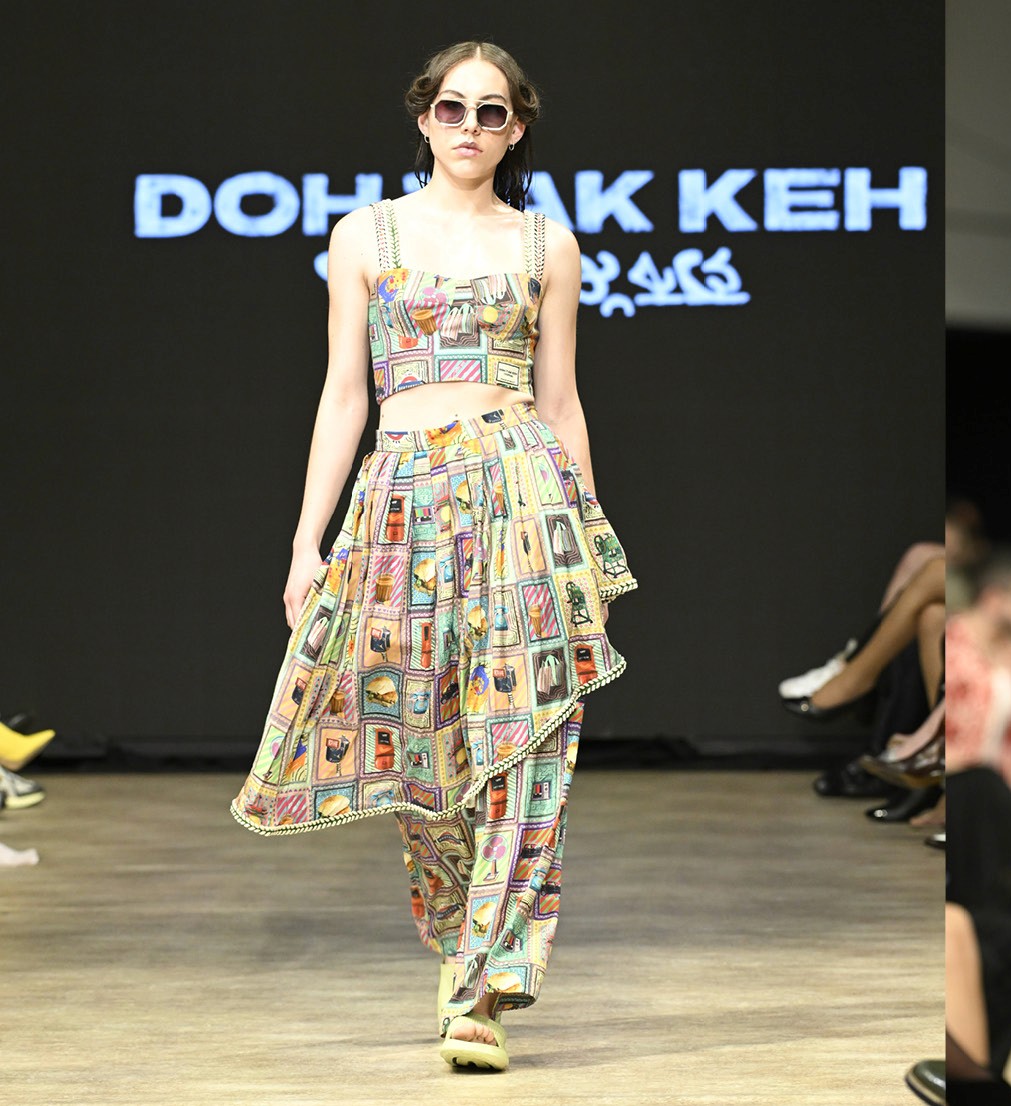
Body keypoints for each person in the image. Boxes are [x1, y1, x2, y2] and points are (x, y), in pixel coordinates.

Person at [229, 40, 637, 1073]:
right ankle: (460, 935)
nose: (470, 126)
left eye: (491, 111)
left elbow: (561, 401)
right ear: (423, 118)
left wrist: (586, 545)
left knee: (528, 738)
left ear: (516, 127)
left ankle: (486, 984)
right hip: (403, 504)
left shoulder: (547, 243)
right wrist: (307, 538)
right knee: (421, 741)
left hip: (520, 497)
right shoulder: (364, 234)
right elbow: (344, 394)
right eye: (452, 107)